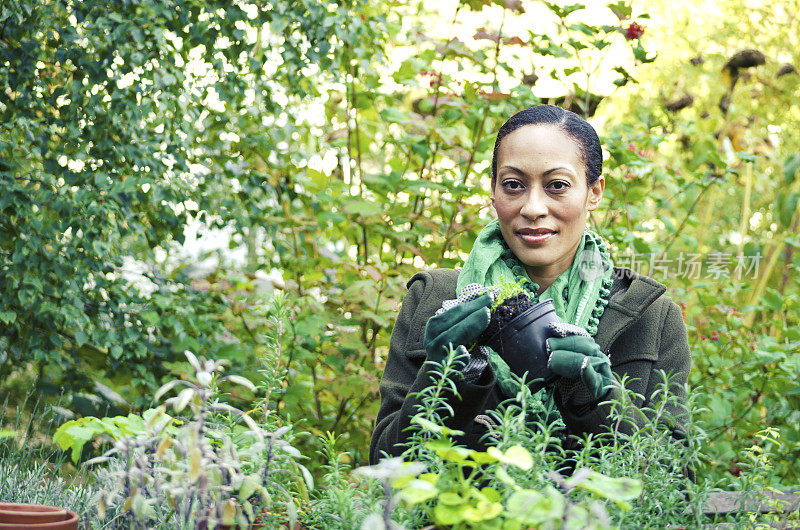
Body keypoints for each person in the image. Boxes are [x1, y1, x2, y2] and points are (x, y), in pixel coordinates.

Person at [369, 104, 692, 464]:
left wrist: (598, 399)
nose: (533, 207)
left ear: (594, 192)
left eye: (557, 185)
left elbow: (676, 488)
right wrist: (444, 377)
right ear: (493, 191)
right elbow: (386, 468)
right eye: (513, 185)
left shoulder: (651, 316)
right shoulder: (435, 298)